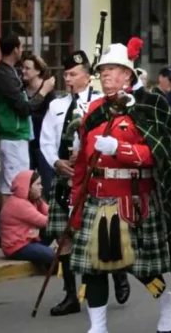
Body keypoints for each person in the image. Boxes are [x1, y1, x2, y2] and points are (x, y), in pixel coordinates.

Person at [69, 39, 171, 333]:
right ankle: (97, 327)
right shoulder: (93, 110)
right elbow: (81, 167)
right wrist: (76, 203)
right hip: (97, 199)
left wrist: (119, 149)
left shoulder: (148, 107)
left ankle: (168, 302)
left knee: (141, 268)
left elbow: (159, 154)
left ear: (127, 74)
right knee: (92, 268)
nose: (106, 74)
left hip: (133, 201)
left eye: (113, 69)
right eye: (102, 70)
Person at [39, 51, 131, 317]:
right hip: (63, 176)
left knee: (101, 235)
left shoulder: (102, 102)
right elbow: (46, 139)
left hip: (92, 177)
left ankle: (118, 275)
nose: (68, 79)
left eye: (73, 74)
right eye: (65, 74)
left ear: (87, 76)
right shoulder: (56, 105)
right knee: (63, 236)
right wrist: (56, 163)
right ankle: (70, 295)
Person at [0, 34, 55, 200]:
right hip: (13, 135)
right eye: (20, 47)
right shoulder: (4, 74)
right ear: (15, 49)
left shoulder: (8, 73)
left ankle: (10, 224)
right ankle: (10, 225)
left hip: (17, 135)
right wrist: (44, 90)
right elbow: (24, 108)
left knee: (11, 186)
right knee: (14, 187)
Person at [0, 170, 53, 265]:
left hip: (28, 241)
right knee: (53, 256)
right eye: (38, 184)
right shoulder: (19, 204)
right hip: (16, 247)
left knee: (55, 229)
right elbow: (46, 221)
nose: (41, 187)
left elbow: (51, 213)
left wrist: (40, 202)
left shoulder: (32, 200)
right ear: (27, 186)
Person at [21, 54, 56, 196]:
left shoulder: (47, 91)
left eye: (27, 68)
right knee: (26, 182)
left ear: (38, 71)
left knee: (46, 183)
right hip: (26, 142)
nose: (23, 71)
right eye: (22, 67)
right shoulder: (21, 89)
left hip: (43, 144)